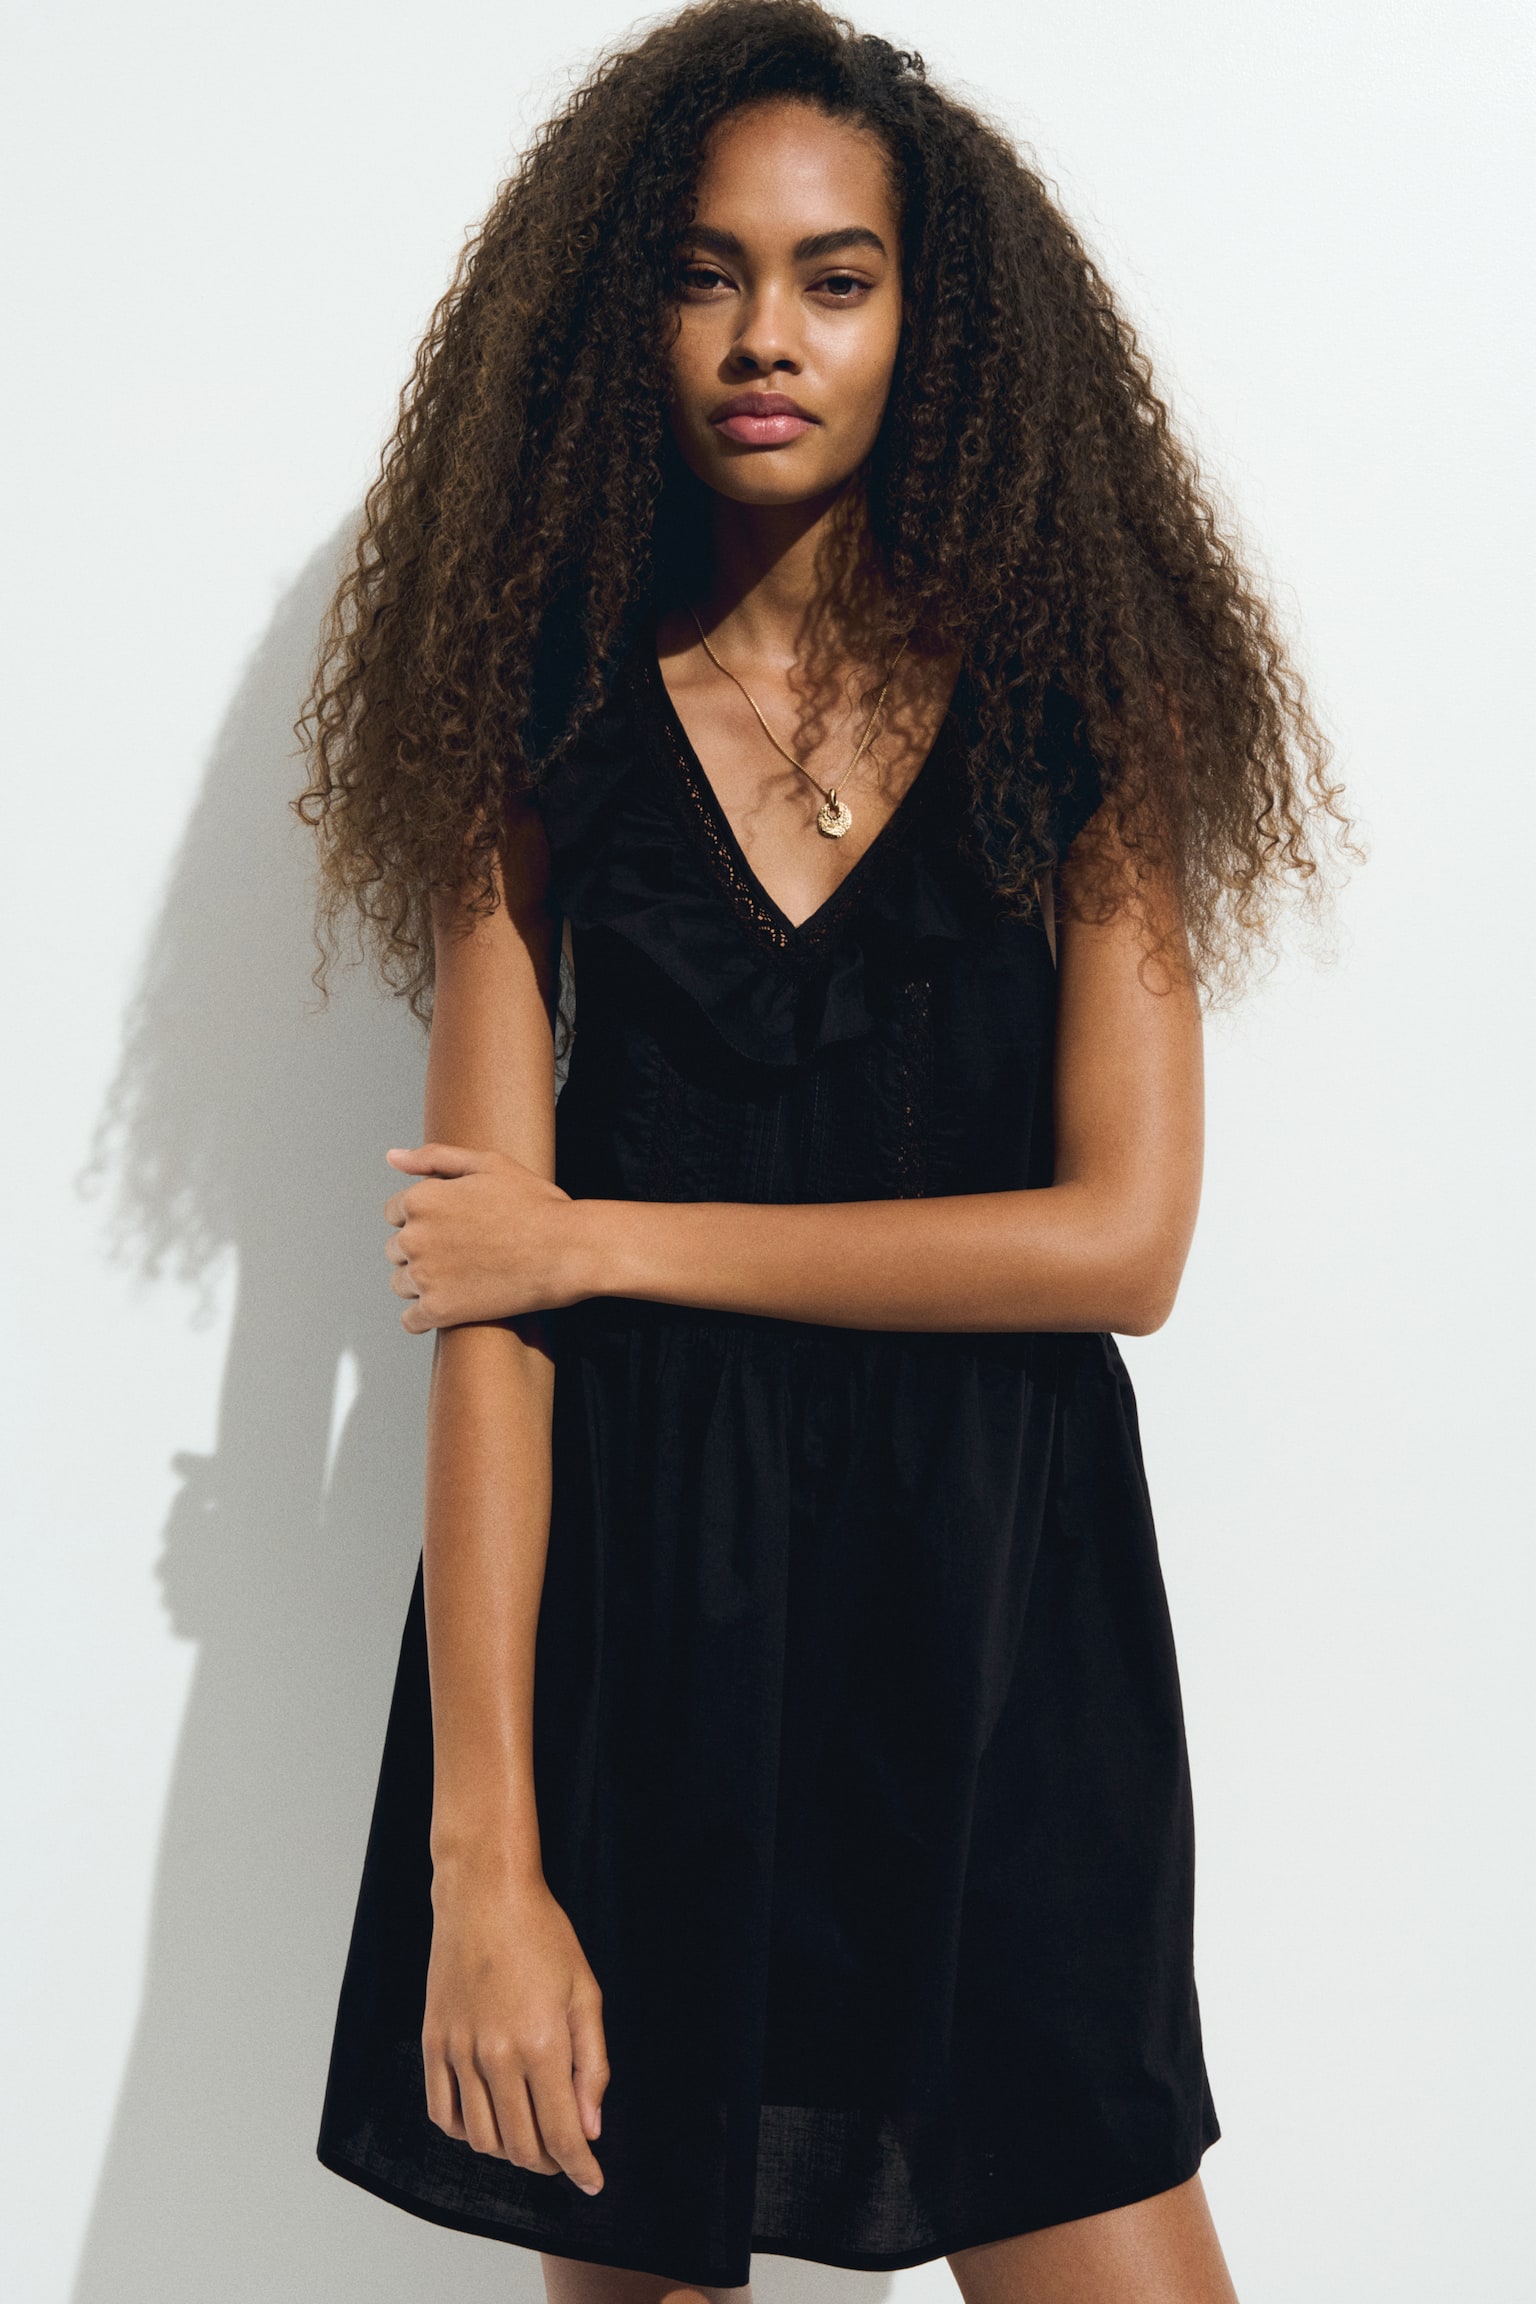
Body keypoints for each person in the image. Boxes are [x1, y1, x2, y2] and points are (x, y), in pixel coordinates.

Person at [298, 4, 1346, 2298]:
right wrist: (487, 1863)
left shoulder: (1088, 703)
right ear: (623, 314)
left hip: (1005, 1639)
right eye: (705, 273)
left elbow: (1122, 1243)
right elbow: (489, 1311)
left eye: (835, 278)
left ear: (930, 322)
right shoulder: (535, 721)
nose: (765, 336)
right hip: (640, 1636)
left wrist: (606, 1237)